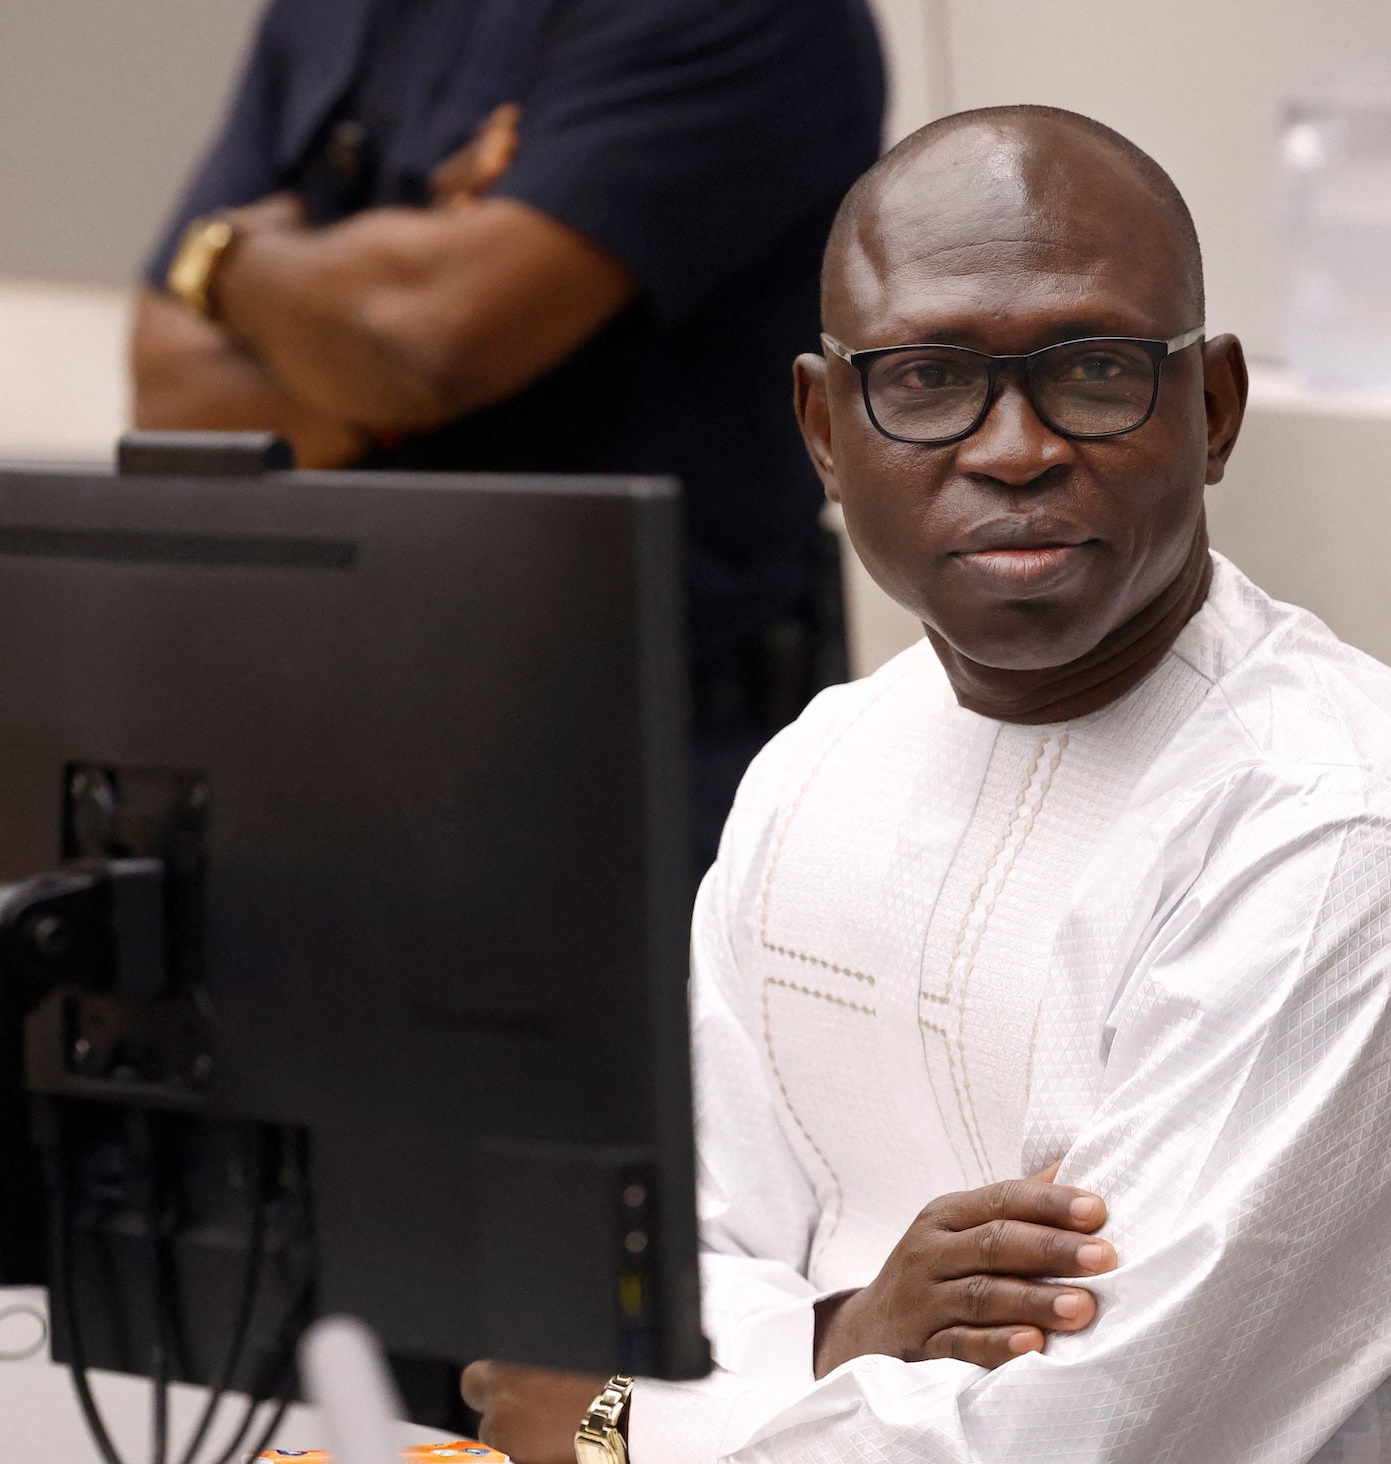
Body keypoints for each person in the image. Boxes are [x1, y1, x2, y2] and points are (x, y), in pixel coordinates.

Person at [463, 106, 1391, 1464]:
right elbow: (680, 1268)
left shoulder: (1348, 848)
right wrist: (846, 1331)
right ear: (824, 429)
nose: (1013, 449)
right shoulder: (819, 766)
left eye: (1091, 371)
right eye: (926, 381)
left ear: (1211, 407)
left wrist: (622, 1425)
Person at [134, 0, 888, 869]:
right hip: (328, 739)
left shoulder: (744, 17)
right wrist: (384, 344)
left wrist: (227, 260)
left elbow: (425, 336)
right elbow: (170, 390)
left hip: (642, 764)